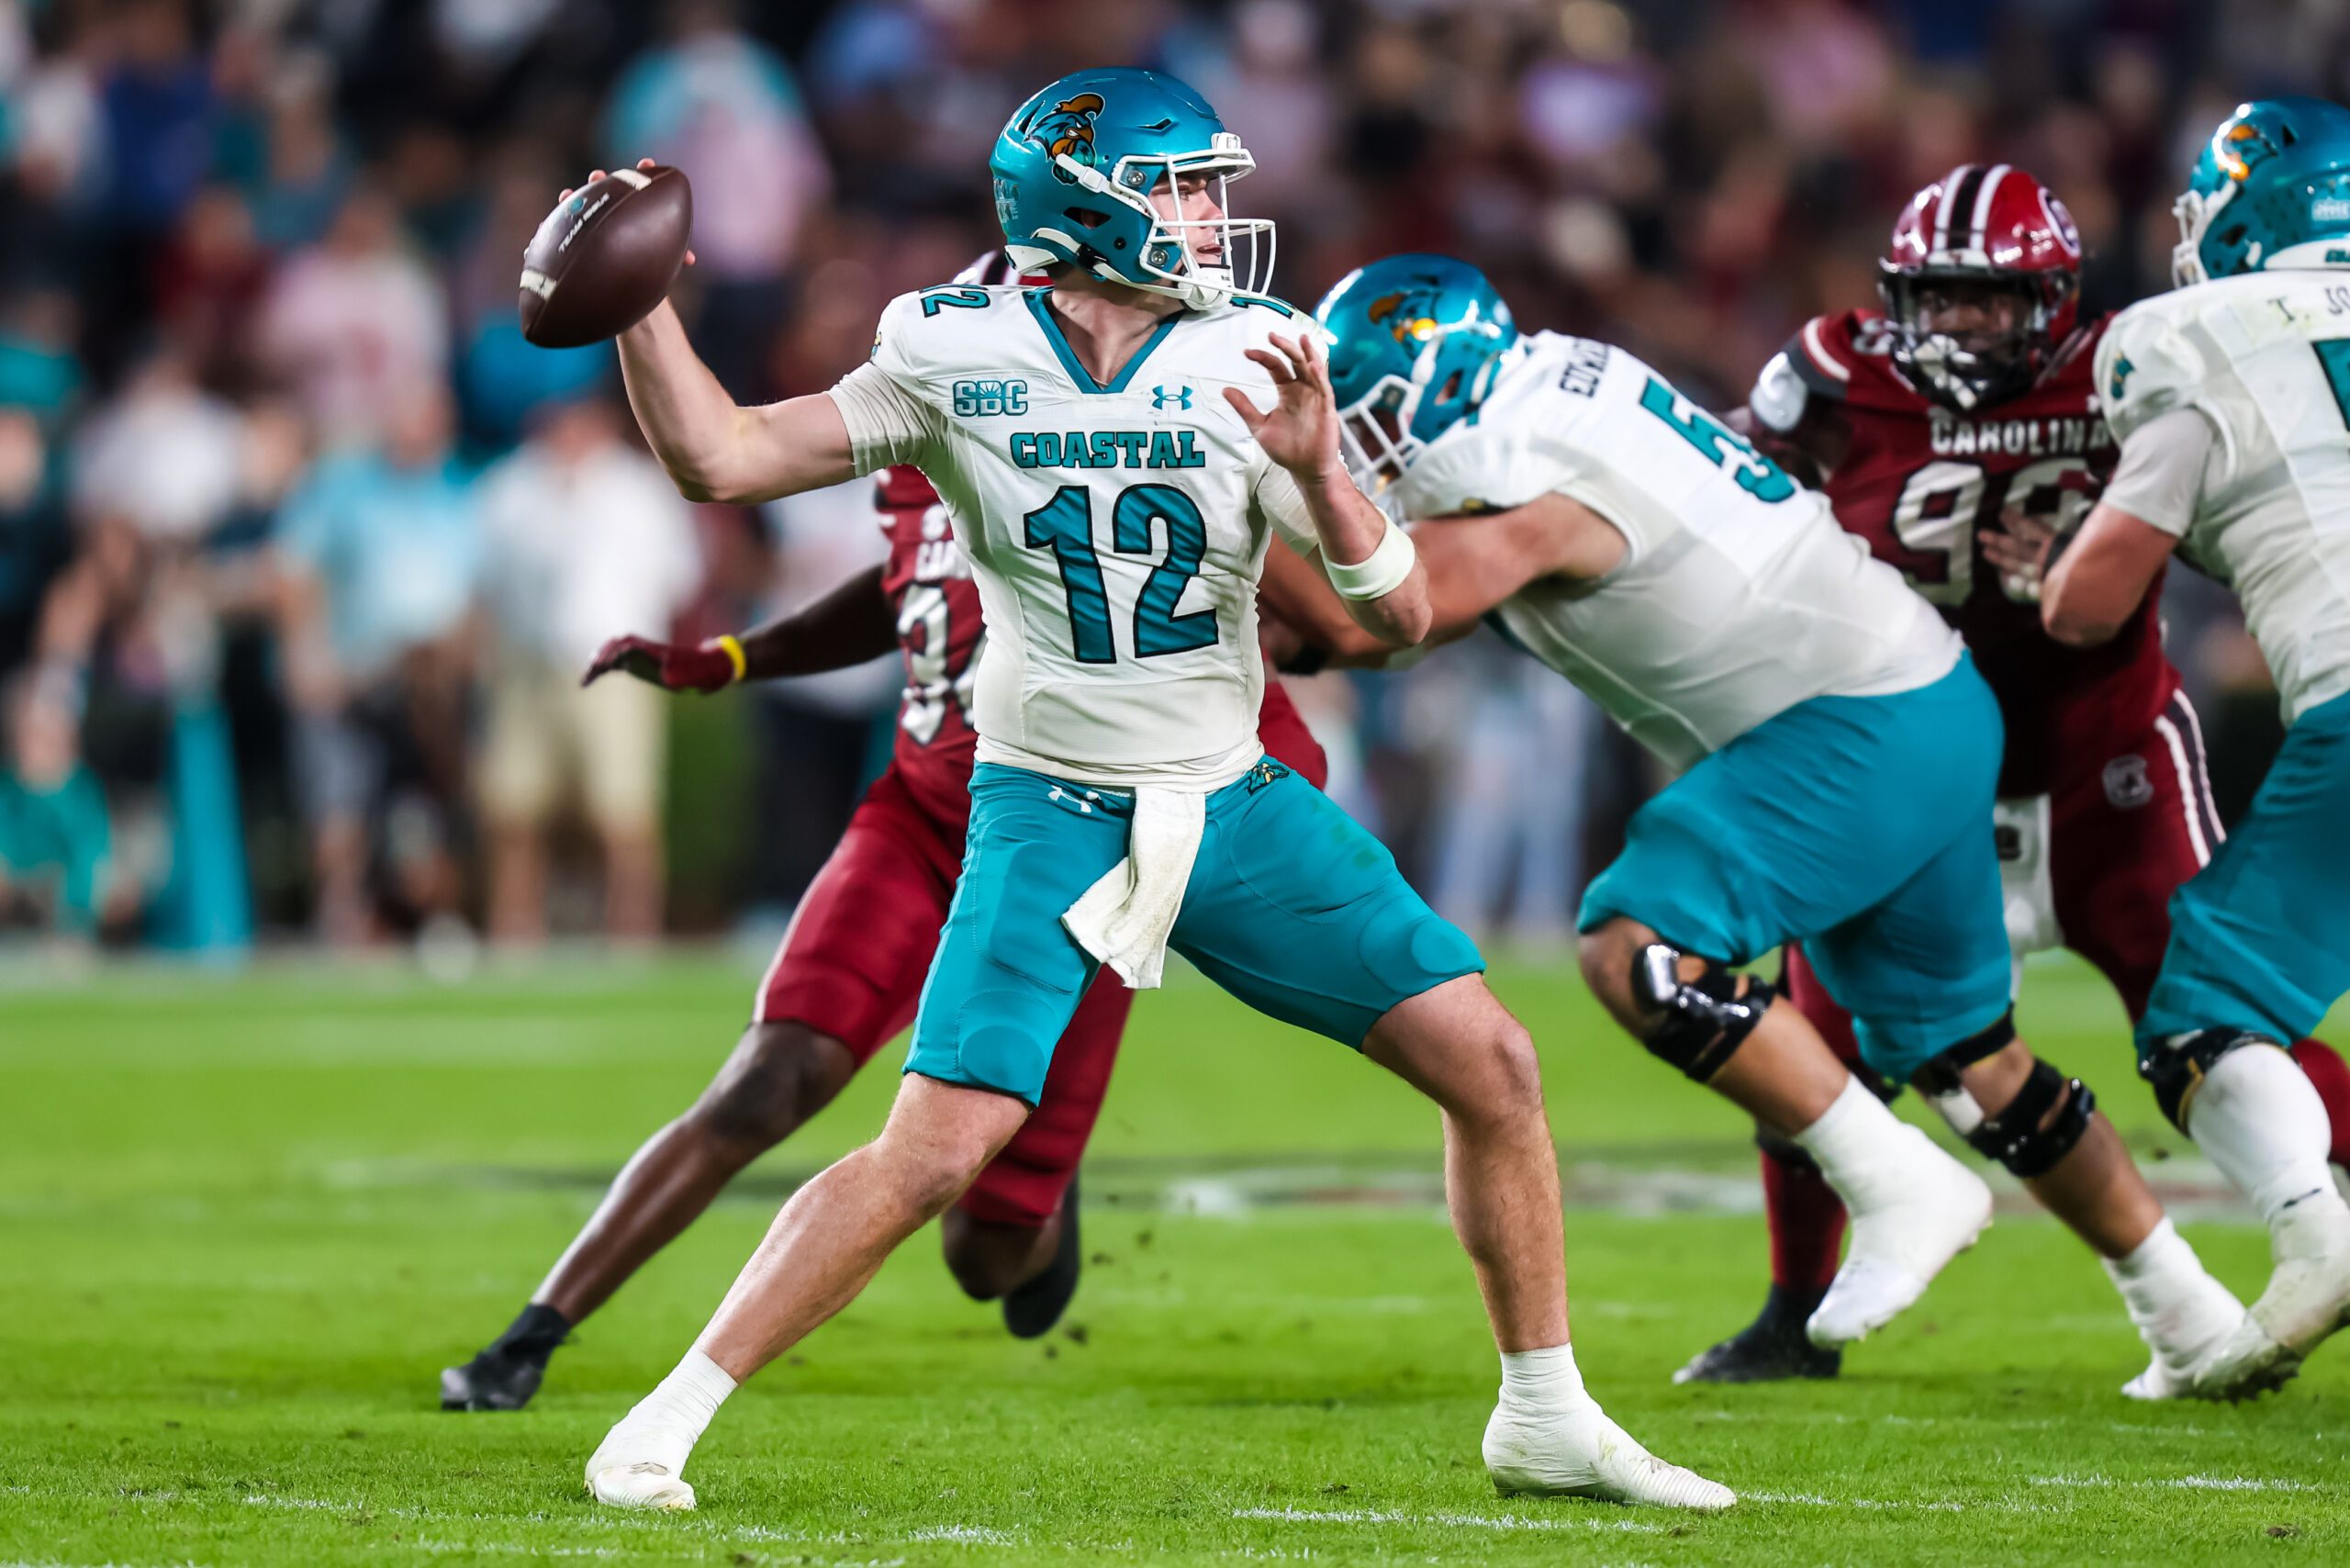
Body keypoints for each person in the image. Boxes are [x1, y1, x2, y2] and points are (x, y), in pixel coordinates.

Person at [577, 69, 1731, 1514]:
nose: (1213, 214)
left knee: (1493, 1064)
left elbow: (1394, 614)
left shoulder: (1259, 350)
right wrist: (637, 305)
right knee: (938, 1150)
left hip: (1234, 798)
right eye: (1183, 186)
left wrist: (1322, 471)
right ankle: (667, 1416)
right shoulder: (952, 350)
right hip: (1051, 805)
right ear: (1090, 204)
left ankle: (1546, 1416)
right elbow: (723, 454)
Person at [1296, 252, 2247, 1400]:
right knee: (1974, 1057)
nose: (1353, 445)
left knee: (1632, 945)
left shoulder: (1518, 462)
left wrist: (1226, 549)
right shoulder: (1547, 386)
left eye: (1368, 417)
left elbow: (1386, 620)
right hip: (1916, 695)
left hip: (1853, 723)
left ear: (1446, 385)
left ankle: (1897, 1180)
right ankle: (2190, 1313)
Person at [441, 257, 1335, 1411]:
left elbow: (1318, 625)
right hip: (922, 819)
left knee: (986, 1256)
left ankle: (1039, 1209)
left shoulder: (1158, 444)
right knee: (766, 1083)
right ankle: (533, 1333)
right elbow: (899, 584)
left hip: (1076, 853)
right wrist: (733, 658)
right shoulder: (944, 422)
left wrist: (1304, 625)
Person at [1679, 164, 2350, 1388]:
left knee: (2226, 1018)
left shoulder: (2132, 368)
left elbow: (2204, 518)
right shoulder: (1833, 375)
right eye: (1940, 300)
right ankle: (1793, 1313)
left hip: (2107, 765)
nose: (1964, 327)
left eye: (1992, 304)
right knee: (1810, 1055)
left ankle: (2318, 1225)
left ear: (2055, 298)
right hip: (1913, 787)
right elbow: (1721, 501)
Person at [2019, 97, 2350, 1398]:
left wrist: (2049, 569)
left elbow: (2092, 601)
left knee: (2206, 1012)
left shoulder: (2195, 338)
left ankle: (2313, 1238)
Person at [474, 394, 701, 944]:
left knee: (623, 812)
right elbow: (485, 584)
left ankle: (633, 935)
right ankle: (515, 936)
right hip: (528, 667)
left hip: (618, 667)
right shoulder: (512, 487)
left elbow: (679, 579)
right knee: (514, 810)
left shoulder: (641, 490)